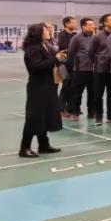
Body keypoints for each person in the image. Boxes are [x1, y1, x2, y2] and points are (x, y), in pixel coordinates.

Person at [19, 23, 65, 158]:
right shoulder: (33, 48)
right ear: (38, 33)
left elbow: (51, 61)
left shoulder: (45, 45)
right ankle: (24, 148)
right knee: (33, 117)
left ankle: (43, 145)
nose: (49, 31)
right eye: (45, 30)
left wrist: (60, 59)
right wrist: (55, 58)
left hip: (49, 85)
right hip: (38, 87)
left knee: (44, 116)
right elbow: (36, 66)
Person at [88, 13, 111, 125]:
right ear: (105, 22)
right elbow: (91, 53)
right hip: (100, 71)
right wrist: (99, 61)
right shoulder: (97, 37)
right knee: (98, 95)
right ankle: (98, 117)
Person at [65, 17, 95, 120]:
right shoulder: (76, 38)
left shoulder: (95, 38)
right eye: (90, 25)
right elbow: (71, 53)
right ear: (83, 26)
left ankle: (91, 112)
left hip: (93, 69)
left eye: (93, 24)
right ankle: (75, 112)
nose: (93, 26)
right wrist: (71, 68)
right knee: (77, 93)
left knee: (93, 93)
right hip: (80, 69)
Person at [57, 16, 77, 112]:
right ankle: (61, 108)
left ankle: (70, 107)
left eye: (75, 22)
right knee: (66, 86)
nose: (75, 24)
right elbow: (65, 48)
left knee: (72, 87)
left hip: (74, 64)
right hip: (65, 64)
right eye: (72, 22)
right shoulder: (62, 35)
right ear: (66, 24)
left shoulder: (74, 34)